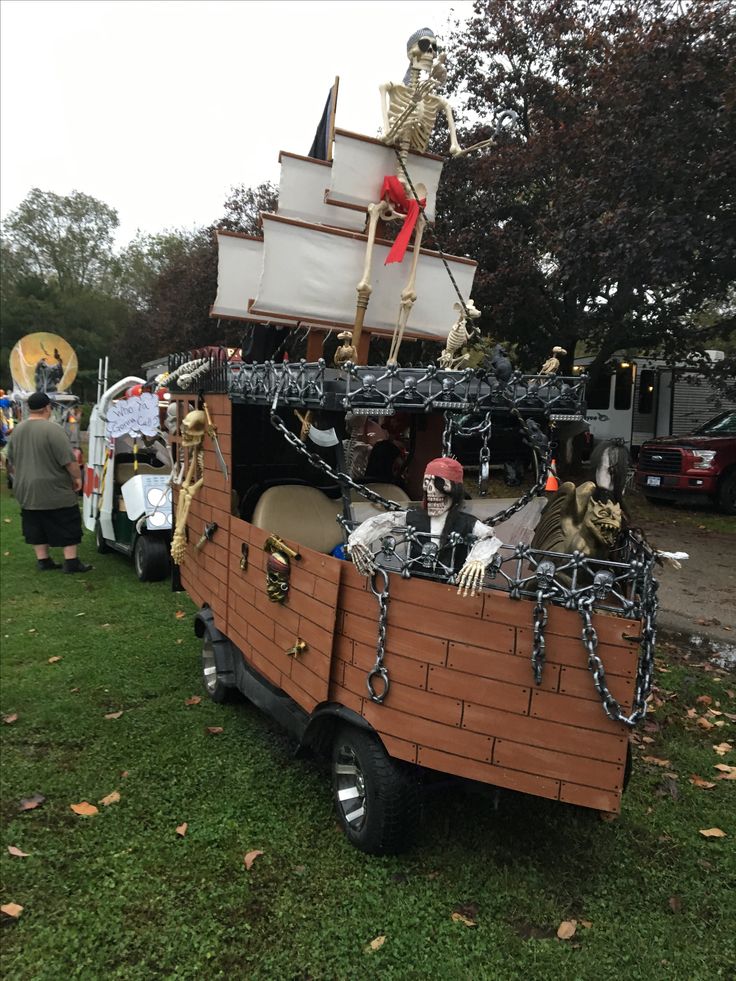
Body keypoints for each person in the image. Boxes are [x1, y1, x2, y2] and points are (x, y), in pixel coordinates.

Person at [348, 457, 501, 596]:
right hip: (415, 586)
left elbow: (489, 537)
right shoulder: (415, 517)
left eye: (440, 484)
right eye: (427, 483)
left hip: (451, 590)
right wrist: (357, 539)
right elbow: (383, 521)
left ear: (455, 490)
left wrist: (478, 559)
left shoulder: (466, 522)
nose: (431, 491)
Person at [6, 391, 91, 573]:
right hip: (54, 487)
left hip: (26, 487)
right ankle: (71, 561)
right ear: (47, 408)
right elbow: (69, 460)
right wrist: (77, 478)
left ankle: (43, 560)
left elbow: (9, 459)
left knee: (35, 522)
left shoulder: (18, 430)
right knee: (67, 519)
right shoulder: (53, 430)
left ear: (30, 408)